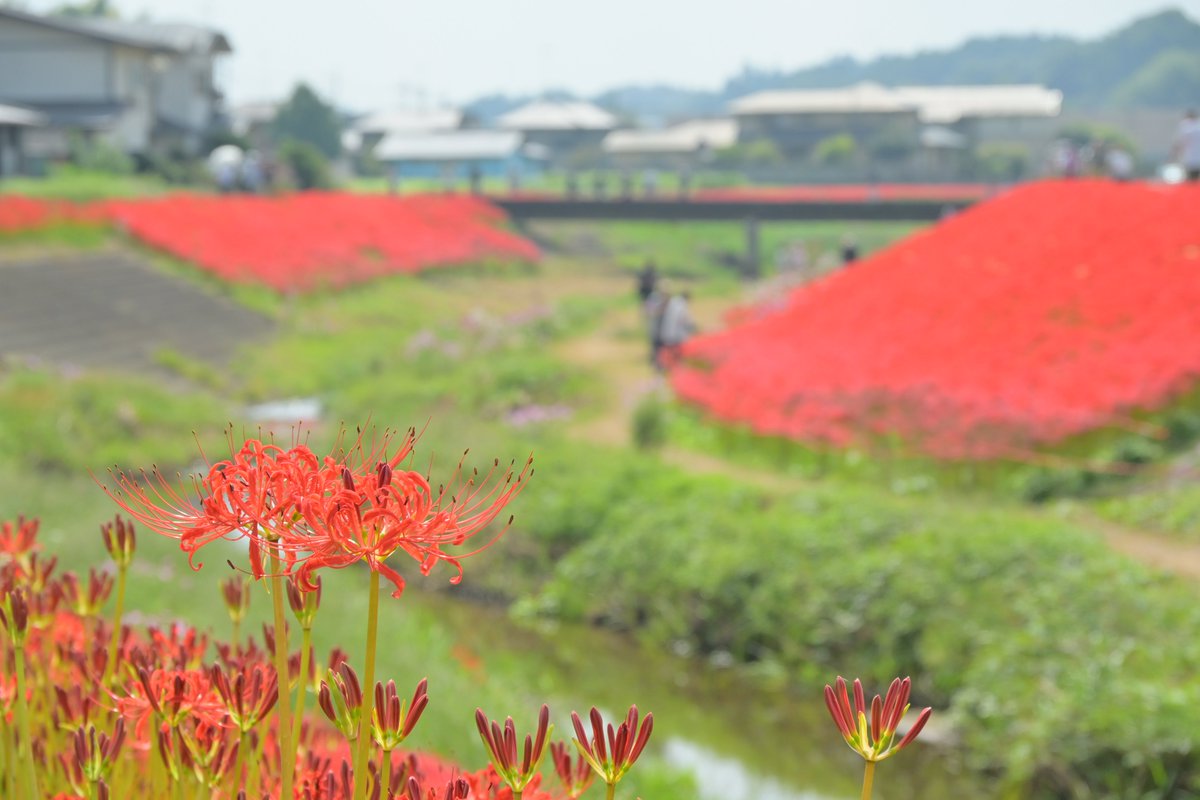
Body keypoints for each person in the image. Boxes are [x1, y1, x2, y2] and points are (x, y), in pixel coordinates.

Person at [656, 291, 696, 369]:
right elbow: (684, 319)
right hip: (676, 335)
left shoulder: (674, 303)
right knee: (676, 353)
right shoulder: (681, 305)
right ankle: (674, 366)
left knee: (669, 351)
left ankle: (667, 365)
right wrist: (693, 327)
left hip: (668, 332)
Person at [1174, 110, 1200, 181]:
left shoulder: (1185, 126)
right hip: (1197, 158)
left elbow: (1180, 143)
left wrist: (1175, 155)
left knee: (1190, 180)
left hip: (1189, 158)